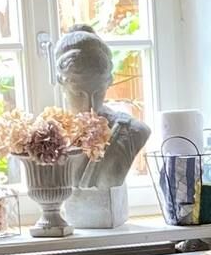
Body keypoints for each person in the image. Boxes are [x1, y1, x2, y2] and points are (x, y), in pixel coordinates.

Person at [50, 25, 151, 186]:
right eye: (78, 93)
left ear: (109, 82)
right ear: (61, 84)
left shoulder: (132, 131)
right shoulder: (48, 138)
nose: (90, 106)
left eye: (98, 93)